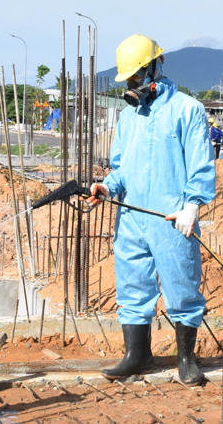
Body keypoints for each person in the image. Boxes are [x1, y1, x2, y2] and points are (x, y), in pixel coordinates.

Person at [86, 35, 215, 386]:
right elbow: (122, 167)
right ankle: (137, 355)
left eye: (136, 78)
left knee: (182, 285)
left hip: (172, 218)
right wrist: (106, 186)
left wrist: (192, 205)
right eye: (128, 80)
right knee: (133, 286)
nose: (132, 85)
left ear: (156, 67)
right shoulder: (129, 118)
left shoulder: (188, 110)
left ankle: (186, 359)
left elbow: (201, 165)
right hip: (131, 218)